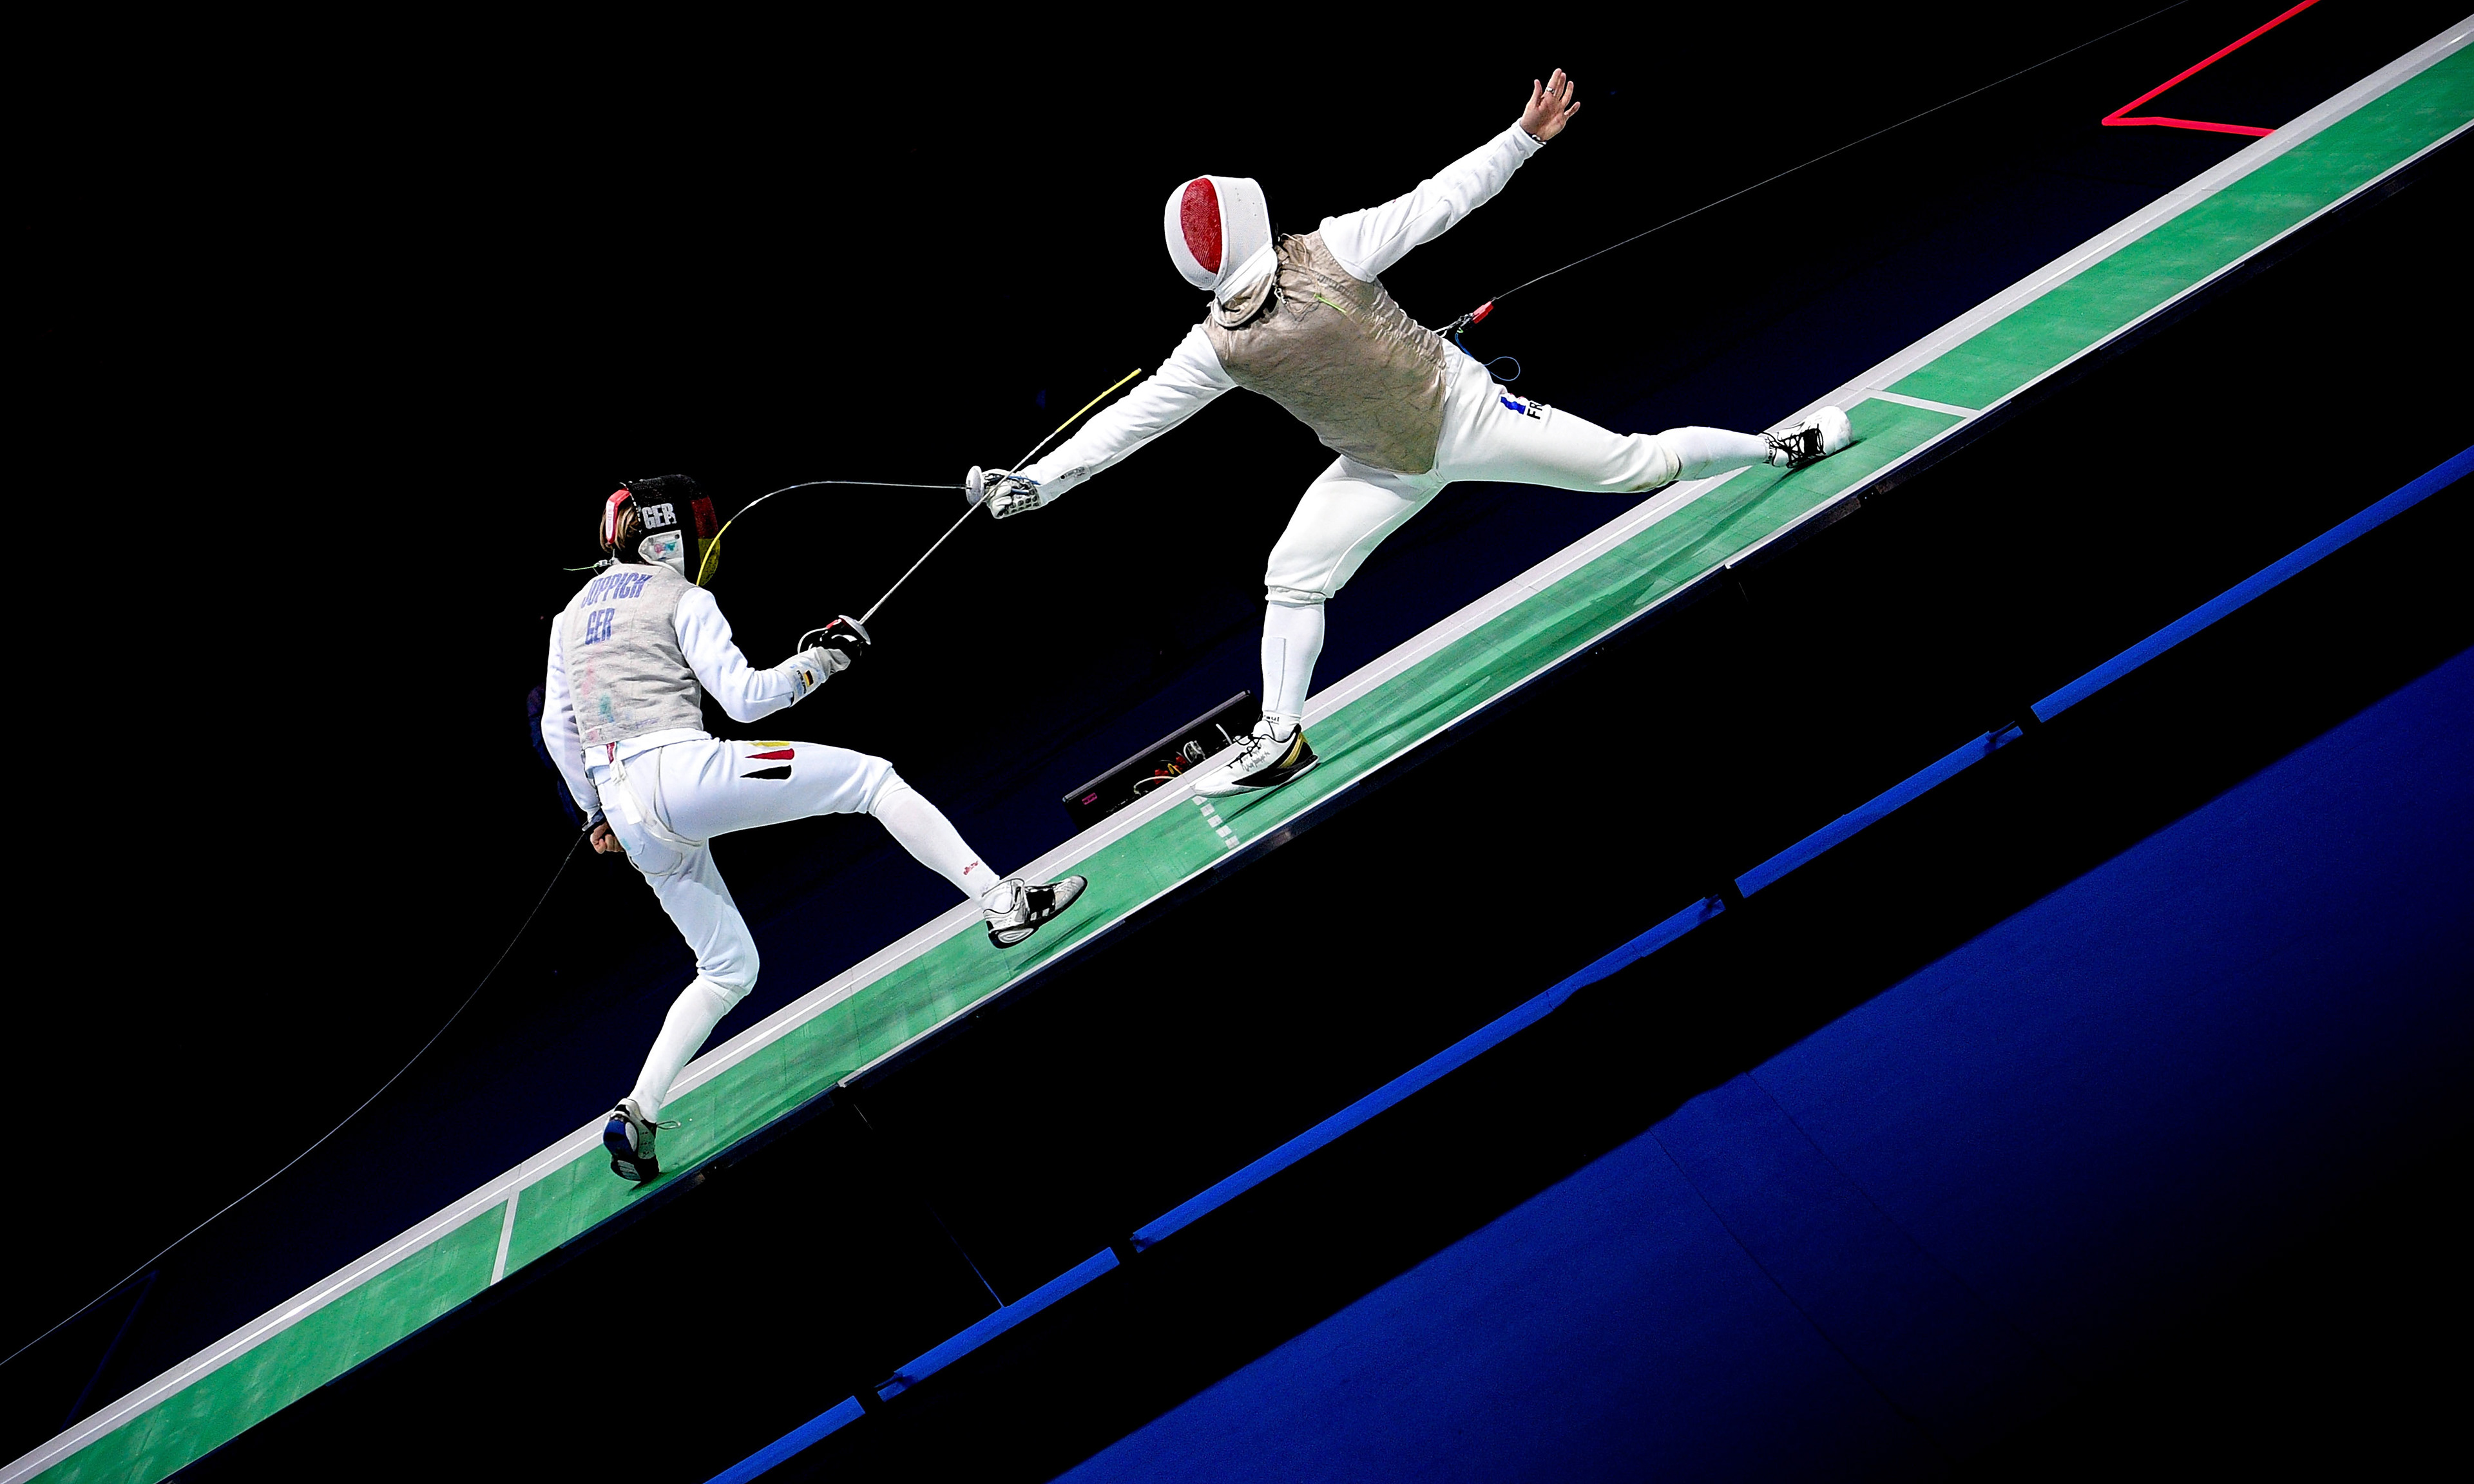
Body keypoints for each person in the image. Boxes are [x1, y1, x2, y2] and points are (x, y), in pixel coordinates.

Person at [973, 70, 1850, 795]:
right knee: (1294, 574)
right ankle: (1278, 738)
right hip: (1379, 466)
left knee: (1635, 466)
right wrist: (1039, 480)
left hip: (1466, 415)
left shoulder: (1259, 307)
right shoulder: (1260, 308)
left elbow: (1441, 203)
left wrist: (1038, 483)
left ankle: (1782, 446)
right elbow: (1131, 422)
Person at [542, 475, 1088, 1183]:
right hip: (682, 772)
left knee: (729, 967)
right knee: (872, 781)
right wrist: (826, 658)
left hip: (628, 811)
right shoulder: (681, 597)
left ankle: (637, 1116)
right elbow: (744, 701)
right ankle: (1004, 904)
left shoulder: (567, 618)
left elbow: (561, 729)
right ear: (668, 536)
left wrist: (594, 813)